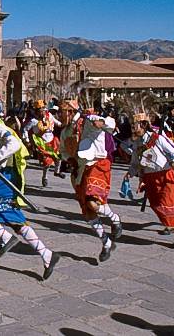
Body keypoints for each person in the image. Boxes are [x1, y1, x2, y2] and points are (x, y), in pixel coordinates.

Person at [0, 105, 60, 280]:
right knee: (12, 218)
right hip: (3, 177)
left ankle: (6, 237)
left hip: (4, 177)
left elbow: (14, 144)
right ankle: (47, 255)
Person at [126, 117, 174, 248]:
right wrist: (129, 173)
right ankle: (173, 226)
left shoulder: (158, 138)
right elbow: (135, 163)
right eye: (132, 126)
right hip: (150, 178)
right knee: (156, 205)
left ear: (143, 125)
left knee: (168, 202)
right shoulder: (137, 143)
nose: (133, 128)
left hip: (165, 174)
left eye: (135, 125)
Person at [69, 106, 121, 262]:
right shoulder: (71, 126)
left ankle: (115, 218)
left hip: (98, 165)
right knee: (88, 211)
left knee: (92, 203)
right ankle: (106, 242)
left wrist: (100, 121)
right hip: (82, 168)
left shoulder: (93, 119)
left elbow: (110, 123)